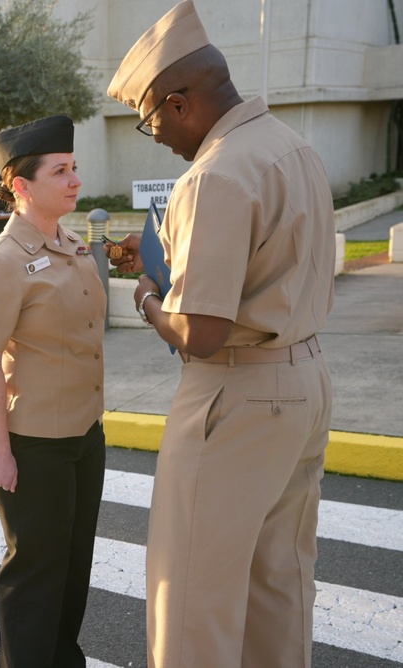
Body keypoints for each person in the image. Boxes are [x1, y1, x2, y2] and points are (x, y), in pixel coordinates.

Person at [105, 3, 335, 666]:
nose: (156, 138)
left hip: (236, 395)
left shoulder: (211, 174)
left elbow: (200, 331)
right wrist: (157, 257)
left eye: (152, 122)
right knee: (279, 586)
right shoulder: (294, 149)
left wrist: (149, 296)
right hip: (304, 383)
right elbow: (260, 266)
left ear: (180, 102)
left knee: (191, 602)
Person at [0, 115, 106, 668]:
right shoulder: (1, 261)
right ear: (21, 185)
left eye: (74, 168)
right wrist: (0, 452)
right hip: (31, 441)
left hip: (82, 434)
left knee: (73, 565)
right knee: (35, 575)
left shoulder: (70, 242)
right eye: (60, 171)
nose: (74, 180)